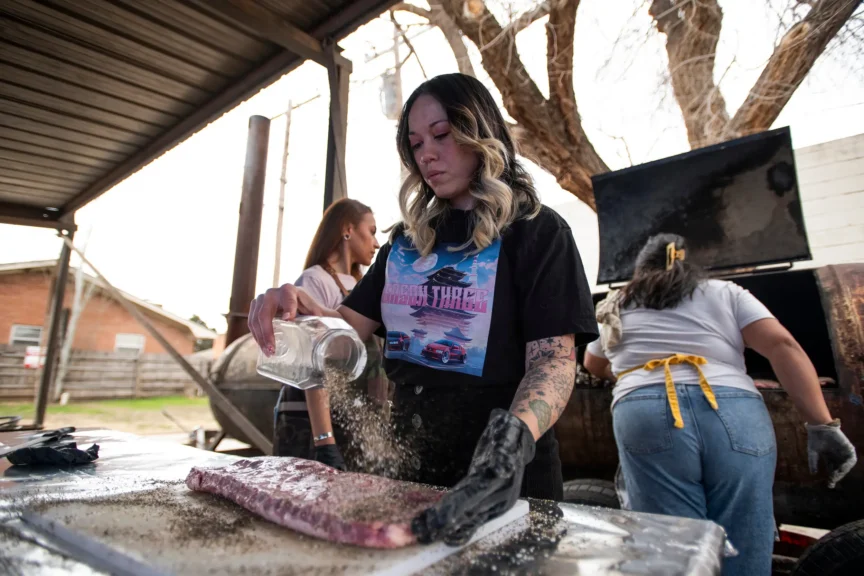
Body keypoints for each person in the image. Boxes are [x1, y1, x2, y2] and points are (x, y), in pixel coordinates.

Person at [249, 73, 598, 545]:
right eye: (415, 143)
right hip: (410, 469)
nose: (427, 154)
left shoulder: (536, 231)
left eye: (442, 135)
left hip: (506, 476)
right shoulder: (408, 241)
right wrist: (296, 307)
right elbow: (346, 331)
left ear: (481, 132)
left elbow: (554, 361)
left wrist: (511, 446)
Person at [583, 233, 857, 576]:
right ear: (690, 262)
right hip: (731, 403)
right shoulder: (725, 291)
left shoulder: (618, 302)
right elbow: (782, 346)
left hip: (645, 410)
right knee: (745, 531)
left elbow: (592, 363)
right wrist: (822, 425)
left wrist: (629, 374)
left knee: (672, 544)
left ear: (641, 267)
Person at [273, 198, 381, 470]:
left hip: (349, 414)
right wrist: (325, 442)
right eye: (372, 231)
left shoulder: (362, 285)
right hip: (313, 424)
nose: (377, 243)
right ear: (347, 230)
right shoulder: (314, 280)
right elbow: (313, 365)